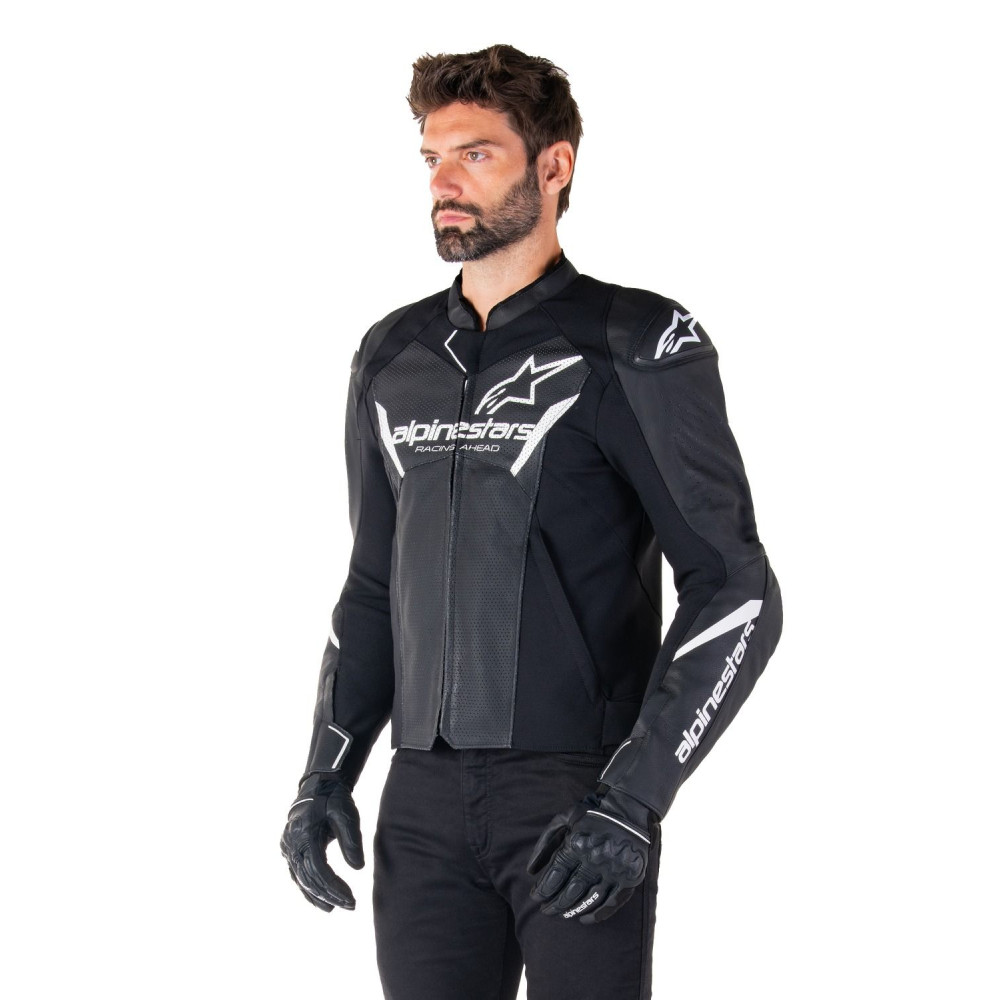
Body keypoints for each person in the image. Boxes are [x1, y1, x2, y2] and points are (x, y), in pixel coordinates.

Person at [280, 43, 783, 1000]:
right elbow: (374, 586)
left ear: (554, 166)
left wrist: (634, 797)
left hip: (574, 795)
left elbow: (736, 587)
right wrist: (325, 772)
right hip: (420, 803)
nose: (444, 183)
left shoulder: (635, 342)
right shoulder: (391, 356)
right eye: (432, 158)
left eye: (475, 155)